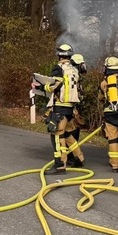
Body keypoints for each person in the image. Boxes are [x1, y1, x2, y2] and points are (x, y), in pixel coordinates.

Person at [39, 43, 85, 173]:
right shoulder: (75, 70)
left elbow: (56, 85)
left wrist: (41, 87)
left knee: (57, 135)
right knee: (68, 133)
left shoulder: (58, 68)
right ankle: (79, 158)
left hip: (60, 107)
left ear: (59, 56)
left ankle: (60, 164)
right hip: (70, 108)